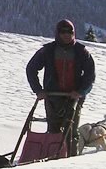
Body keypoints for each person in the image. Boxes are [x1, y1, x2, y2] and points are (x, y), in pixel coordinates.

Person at [26, 19, 96, 153]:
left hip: (73, 97)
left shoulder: (81, 52)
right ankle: (52, 158)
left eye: (69, 32)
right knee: (53, 130)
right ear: (58, 33)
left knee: (71, 131)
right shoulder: (48, 50)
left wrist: (81, 92)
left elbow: (90, 76)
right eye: (63, 32)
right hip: (52, 97)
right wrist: (38, 90)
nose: (66, 35)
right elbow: (31, 68)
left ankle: (69, 159)